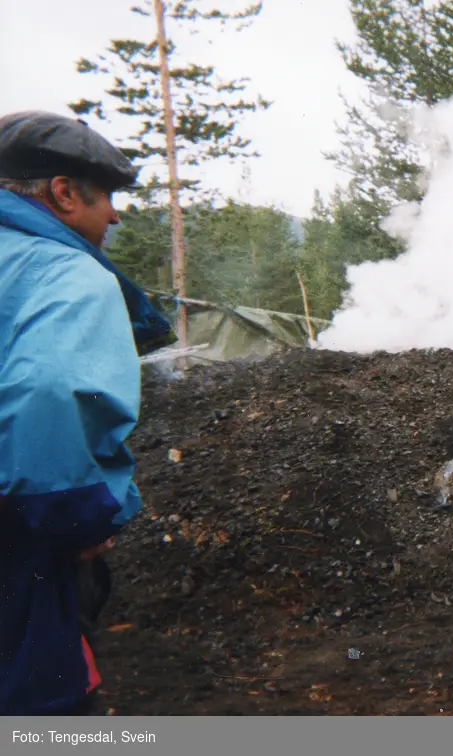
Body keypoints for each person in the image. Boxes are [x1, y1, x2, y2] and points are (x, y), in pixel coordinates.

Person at [0, 111, 175, 716]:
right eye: (107, 197)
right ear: (64, 193)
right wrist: (76, 517)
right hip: (18, 539)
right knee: (41, 700)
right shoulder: (67, 273)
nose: (117, 214)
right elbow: (47, 390)